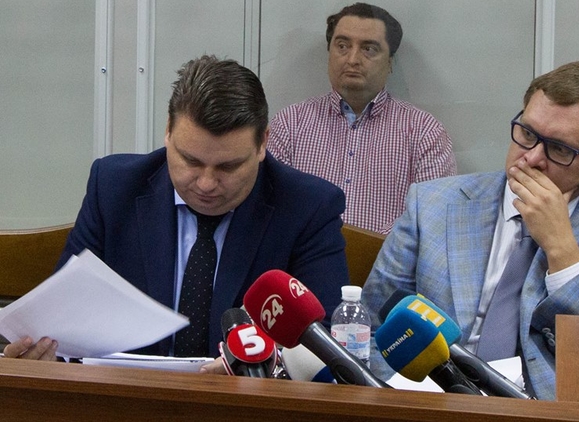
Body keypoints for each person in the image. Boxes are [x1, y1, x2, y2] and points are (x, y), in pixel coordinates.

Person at [3, 55, 349, 371]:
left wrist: (261, 365)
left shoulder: (307, 207)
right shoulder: (114, 188)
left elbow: (325, 341)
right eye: (191, 161)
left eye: (228, 167)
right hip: (126, 398)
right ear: (168, 131)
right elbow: (60, 317)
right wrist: (42, 354)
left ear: (262, 144)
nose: (206, 183)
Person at [362, 62, 579, 421]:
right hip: (436, 406)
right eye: (527, 134)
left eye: (560, 149)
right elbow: (370, 330)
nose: (532, 157)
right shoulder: (432, 206)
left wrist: (563, 254)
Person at [267, 2, 457, 234]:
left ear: (390, 62)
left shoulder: (425, 133)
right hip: (303, 256)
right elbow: (269, 209)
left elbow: (432, 218)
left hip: (389, 258)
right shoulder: (289, 124)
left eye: (369, 49)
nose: (353, 59)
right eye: (342, 46)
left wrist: (366, 249)